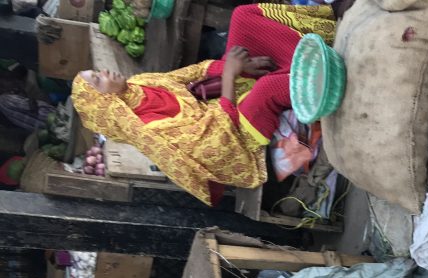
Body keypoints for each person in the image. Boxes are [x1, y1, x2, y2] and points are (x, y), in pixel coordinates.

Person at [71, 4, 335, 206]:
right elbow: (219, 138)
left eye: (98, 71)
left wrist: (235, 67)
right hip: (237, 141)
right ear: (104, 102)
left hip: (225, 106)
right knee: (267, 88)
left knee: (242, 17)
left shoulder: (138, 84)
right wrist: (231, 74)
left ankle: (315, 52)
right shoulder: (147, 130)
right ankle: (324, 77)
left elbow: (191, 73)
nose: (104, 72)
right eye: (98, 79)